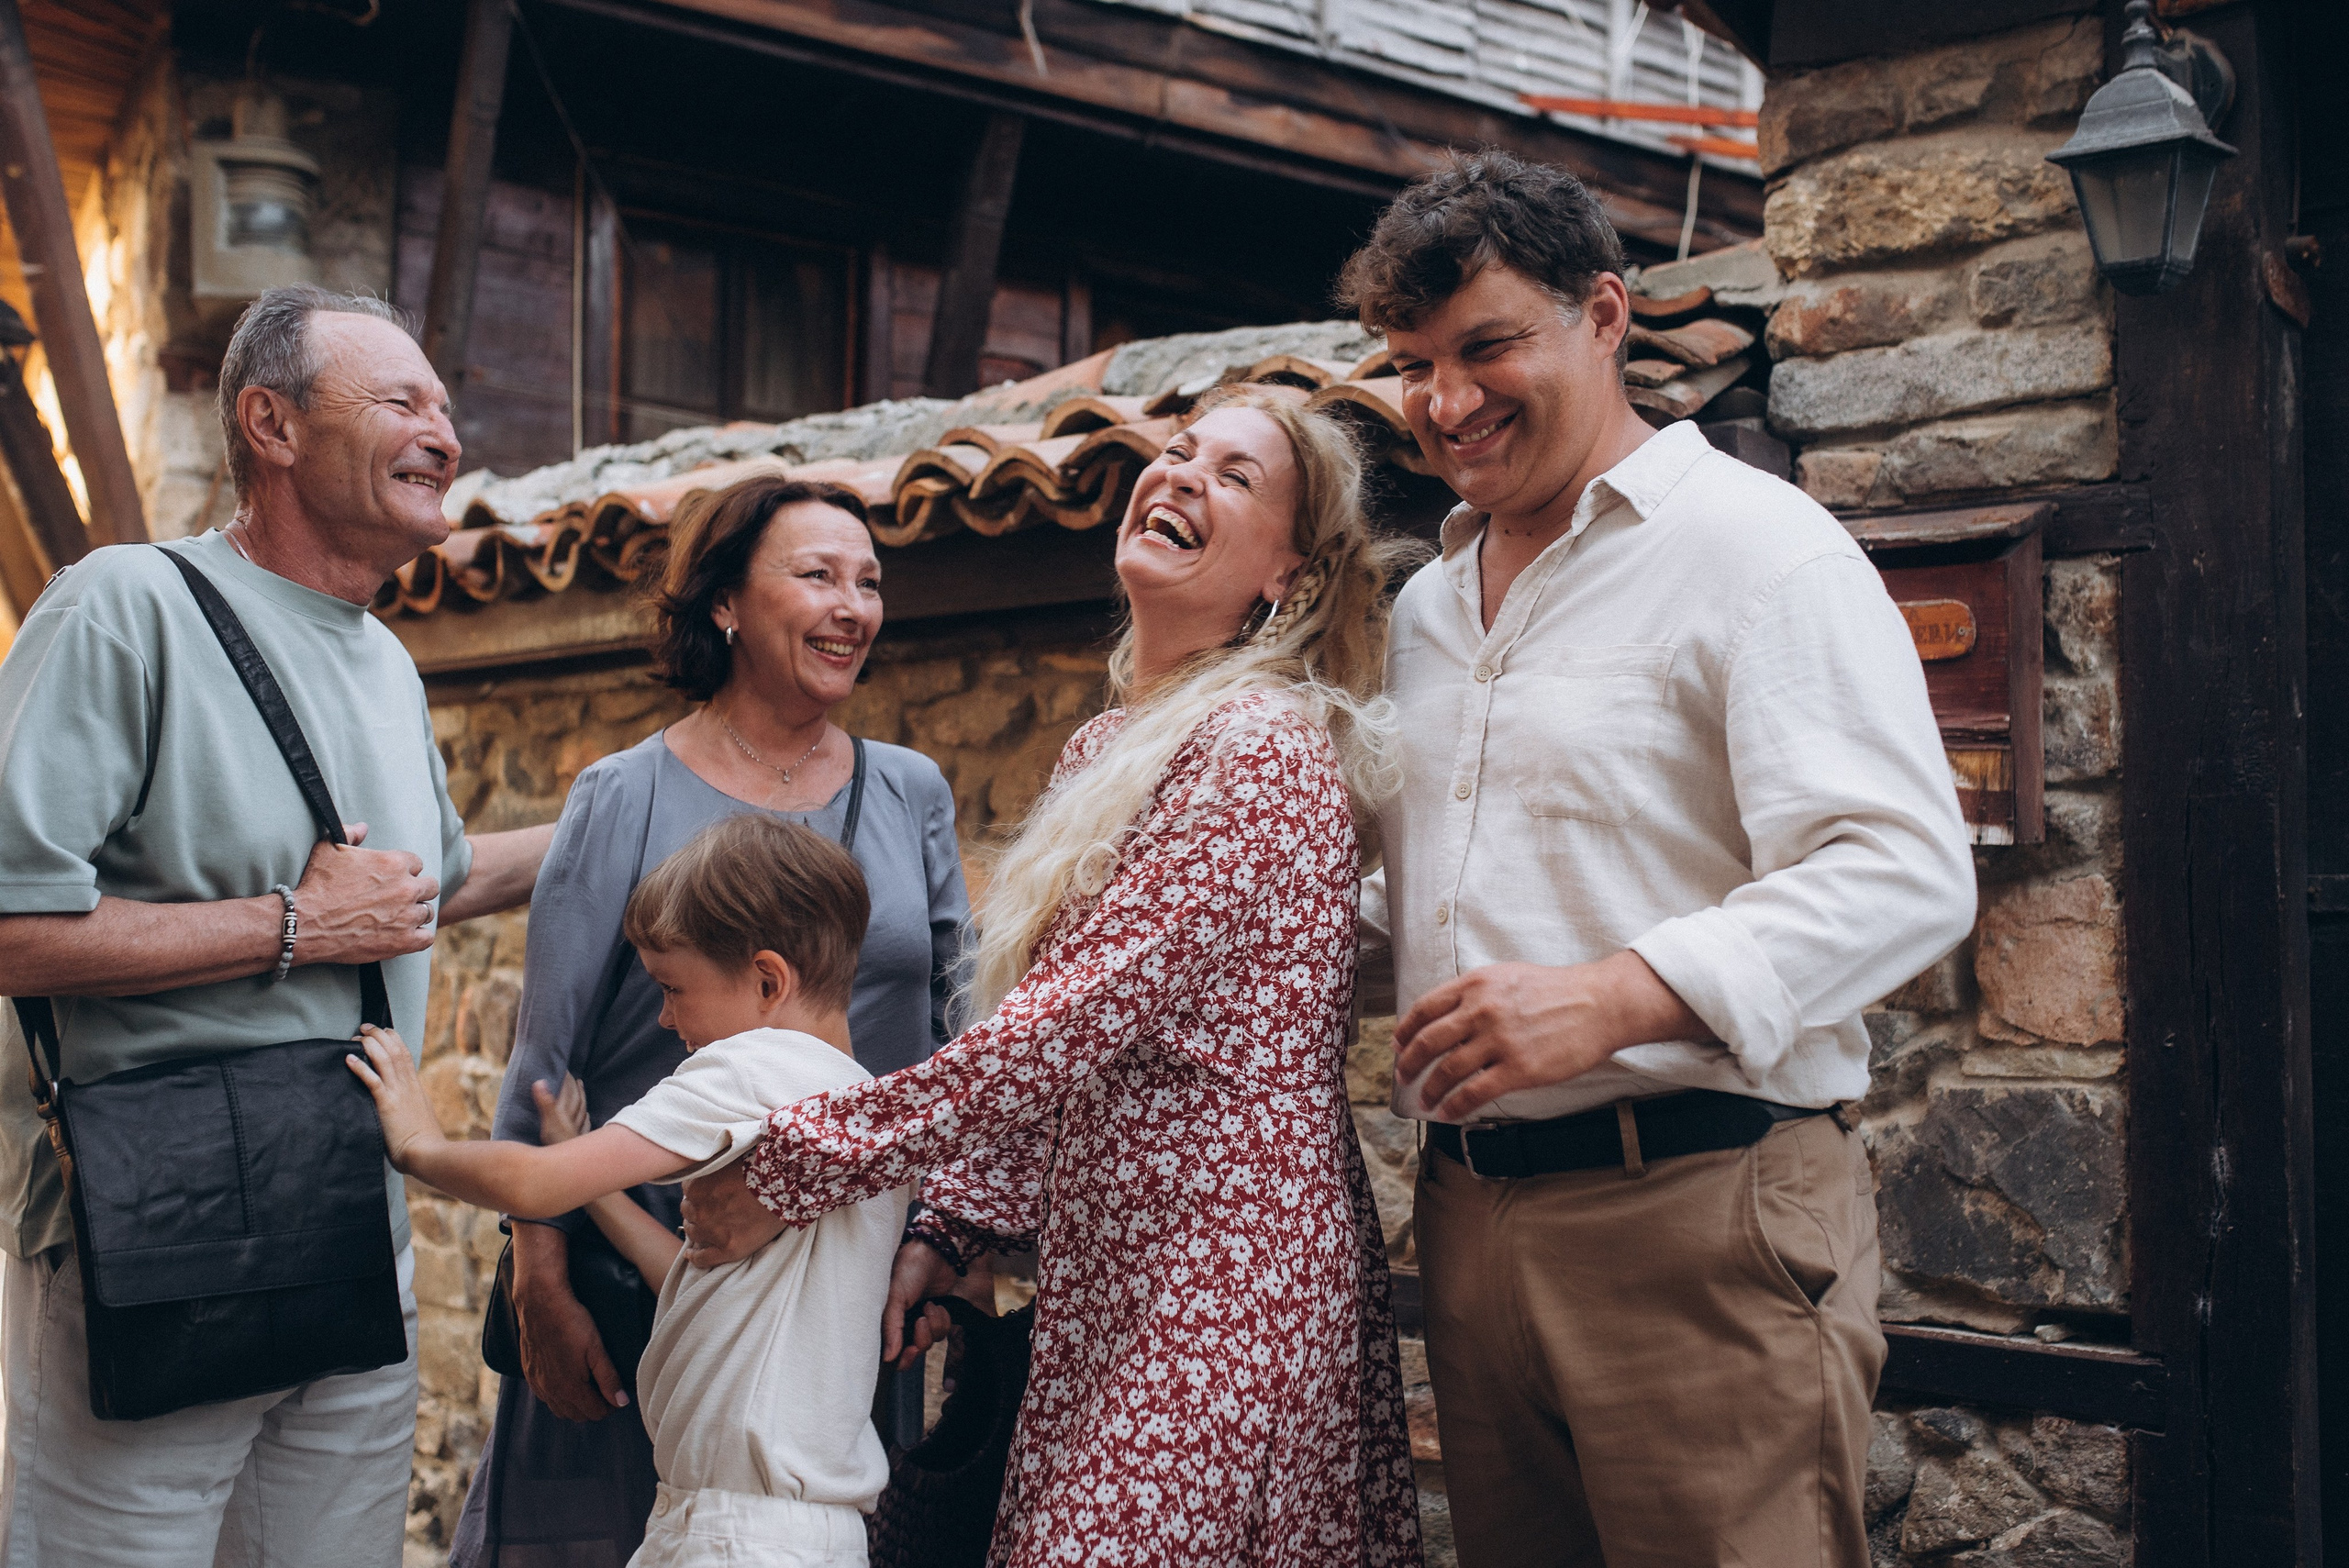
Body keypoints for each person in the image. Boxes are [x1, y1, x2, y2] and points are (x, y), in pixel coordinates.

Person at [1335, 150, 1978, 1568]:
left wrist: (1616, 995)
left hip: (1705, 1211)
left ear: (1608, 317)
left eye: (1489, 345)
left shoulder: (1764, 550)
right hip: (1466, 1216)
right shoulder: (1429, 611)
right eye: (1415, 364)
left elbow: (1906, 869)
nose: (1446, 402)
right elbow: (1436, 890)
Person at [680, 386, 1424, 1567]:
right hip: (1115, 1275)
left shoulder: (1258, 746)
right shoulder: (1111, 747)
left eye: (1235, 477)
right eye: (1179, 451)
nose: (1182, 475)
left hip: (1233, 1270)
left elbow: (1065, 1024)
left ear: (1285, 575)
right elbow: (1077, 1039)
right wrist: (959, 1223)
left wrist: (804, 1159)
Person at [0, 284, 554, 1566]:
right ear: (272, 424)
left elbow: (423, 891)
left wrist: (675, 802)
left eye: (448, 408)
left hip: (350, 1225)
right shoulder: (124, 605)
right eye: (403, 401)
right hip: (156, 1236)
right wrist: (292, 926)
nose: (445, 433)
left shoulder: (383, 657)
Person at [453, 473, 972, 1567]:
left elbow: (950, 1037)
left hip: (837, 1283)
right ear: (726, 605)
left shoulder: (910, 791)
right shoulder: (622, 792)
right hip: (645, 1270)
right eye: (818, 575)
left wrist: (937, 1236)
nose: (853, 606)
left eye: (869, 582)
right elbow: (544, 1056)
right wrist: (540, 1276)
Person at [349, 813, 905, 1568]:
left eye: (674, 988)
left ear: (769, 981)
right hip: (801, 1533)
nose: (664, 1016)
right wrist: (588, 1169)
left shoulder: (755, 1068)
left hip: (735, 1535)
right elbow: (689, 1273)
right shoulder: (860, 1104)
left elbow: (535, 1182)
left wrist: (422, 1145)